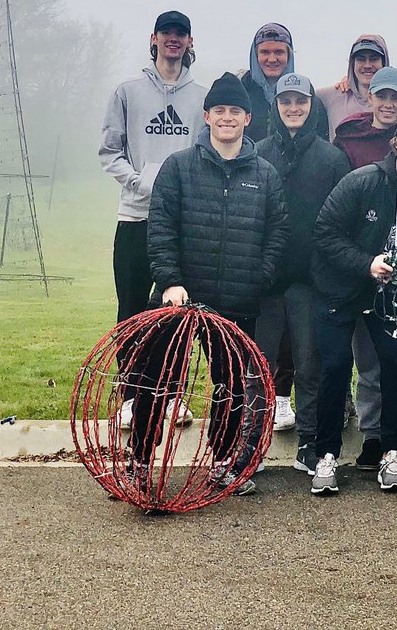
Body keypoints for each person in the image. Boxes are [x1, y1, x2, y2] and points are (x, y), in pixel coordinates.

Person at [144, 72, 289, 494]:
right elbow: (161, 229)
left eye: (235, 112)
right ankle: (140, 461)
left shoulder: (264, 174)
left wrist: (258, 278)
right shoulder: (178, 167)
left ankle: (223, 462)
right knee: (160, 379)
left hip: (237, 304)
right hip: (181, 300)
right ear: (206, 116)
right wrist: (170, 281)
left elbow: (277, 233)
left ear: (248, 119)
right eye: (219, 111)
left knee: (229, 387)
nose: (227, 118)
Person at [309, 109, 397, 495]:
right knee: (337, 364)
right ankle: (325, 455)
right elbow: (325, 233)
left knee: (395, 363)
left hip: (389, 295)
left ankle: (391, 451)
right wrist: (366, 263)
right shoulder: (361, 181)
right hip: (340, 287)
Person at [99, 10, 205, 427]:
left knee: (175, 309)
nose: (173, 40)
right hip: (135, 217)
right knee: (131, 309)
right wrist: (142, 184)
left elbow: (204, 153)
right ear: (154, 39)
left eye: (181, 34)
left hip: (183, 222)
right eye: (167, 34)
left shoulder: (202, 97)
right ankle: (131, 394)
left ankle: (172, 393)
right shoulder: (127, 92)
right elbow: (110, 151)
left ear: (190, 42)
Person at [253, 73, 351, 476]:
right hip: (265, 282)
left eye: (301, 101)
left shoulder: (331, 158)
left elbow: (340, 221)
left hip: (311, 282)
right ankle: (249, 446)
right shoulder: (257, 154)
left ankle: (309, 443)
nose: (294, 108)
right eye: (286, 101)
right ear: (275, 107)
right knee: (256, 365)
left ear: (312, 107)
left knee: (310, 364)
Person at [240, 23, 329, 143]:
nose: (272, 59)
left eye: (279, 52)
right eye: (265, 52)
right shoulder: (238, 95)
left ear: (289, 55)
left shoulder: (310, 100)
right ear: (255, 56)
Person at [333, 66, 397, 170]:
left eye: (395, 98)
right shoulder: (348, 136)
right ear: (370, 97)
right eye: (381, 96)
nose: (388, 105)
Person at [316, 35, 390, 137]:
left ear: (384, 62)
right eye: (361, 59)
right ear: (352, 63)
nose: (367, 65)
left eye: (374, 59)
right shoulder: (329, 96)